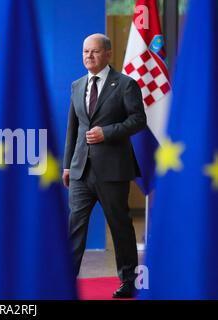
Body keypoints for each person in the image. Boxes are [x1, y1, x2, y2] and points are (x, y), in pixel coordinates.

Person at [62, 33, 147, 298]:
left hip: (112, 171)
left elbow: (138, 120)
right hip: (80, 171)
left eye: (95, 52)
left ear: (108, 54)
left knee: (120, 226)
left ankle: (127, 282)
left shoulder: (125, 85)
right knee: (74, 227)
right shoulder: (77, 85)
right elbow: (73, 129)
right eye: (86, 51)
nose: (89, 56)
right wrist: (67, 165)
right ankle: (64, 280)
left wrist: (106, 132)